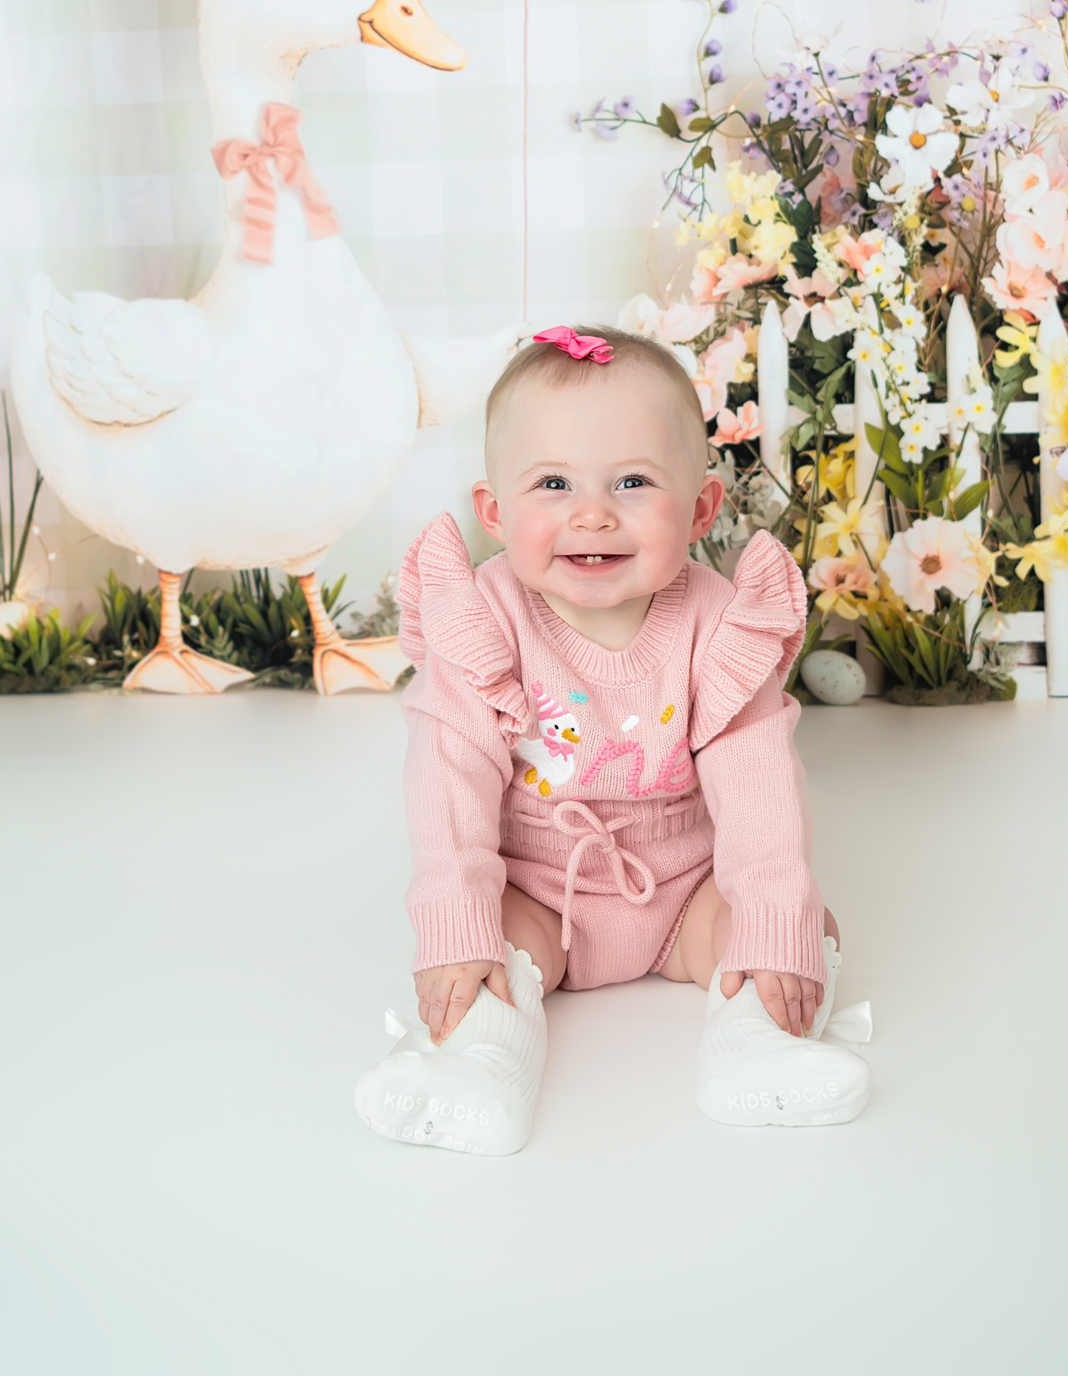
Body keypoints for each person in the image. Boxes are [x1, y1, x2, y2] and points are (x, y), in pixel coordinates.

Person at [355, 324, 871, 1154]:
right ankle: (476, 1068)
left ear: (699, 509)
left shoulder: (717, 624)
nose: (591, 513)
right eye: (552, 483)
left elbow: (759, 786)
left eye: (632, 481)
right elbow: (447, 780)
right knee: (486, 954)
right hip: (536, 891)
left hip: (685, 890)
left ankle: (759, 1048)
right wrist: (456, 926)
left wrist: (772, 922)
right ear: (494, 512)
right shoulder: (484, 622)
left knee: (795, 932)